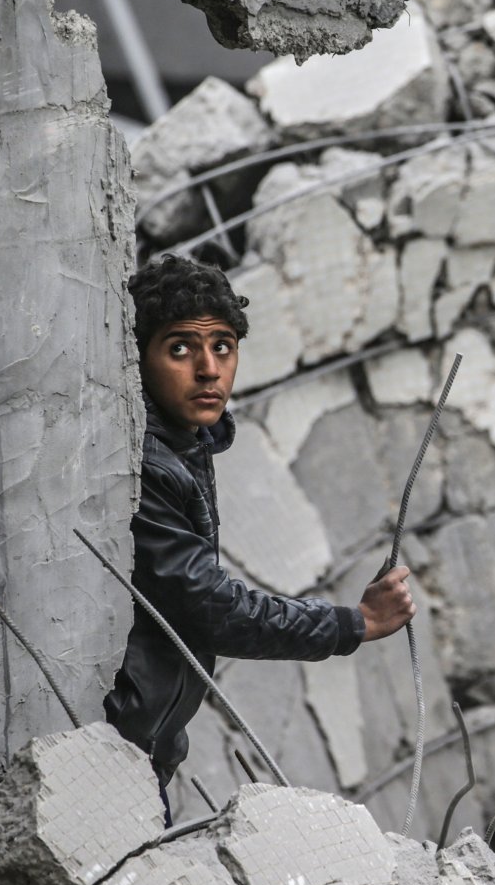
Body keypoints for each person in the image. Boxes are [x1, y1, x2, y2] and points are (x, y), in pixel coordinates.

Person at [104, 255, 414, 804]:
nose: (208, 369)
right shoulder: (146, 465)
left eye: (222, 347)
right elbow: (209, 607)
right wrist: (354, 624)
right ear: (138, 359)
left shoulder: (188, 443)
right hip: (111, 745)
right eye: (180, 348)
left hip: (149, 745)